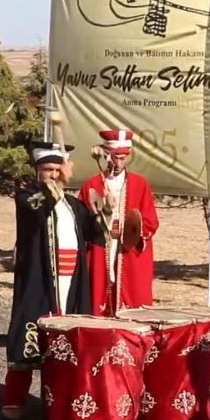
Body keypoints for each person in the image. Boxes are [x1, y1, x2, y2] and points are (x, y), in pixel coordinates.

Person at [2, 141, 104, 420]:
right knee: (28, 335)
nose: (53, 174)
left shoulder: (73, 204)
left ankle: (61, 397)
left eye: (57, 169)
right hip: (40, 281)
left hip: (71, 283)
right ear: (37, 170)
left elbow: (98, 235)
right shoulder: (27, 195)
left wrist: (102, 208)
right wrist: (56, 184)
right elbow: (38, 205)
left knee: (69, 341)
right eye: (48, 169)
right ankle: (14, 398)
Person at [77, 129, 160, 316]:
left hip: (127, 248)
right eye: (115, 157)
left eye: (123, 158)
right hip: (101, 247)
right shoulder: (92, 184)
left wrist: (131, 231)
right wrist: (100, 216)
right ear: (106, 155)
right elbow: (81, 222)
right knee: (99, 290)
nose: (119, 162)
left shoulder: (140, 184)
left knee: (132, 294)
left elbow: (150, 221)